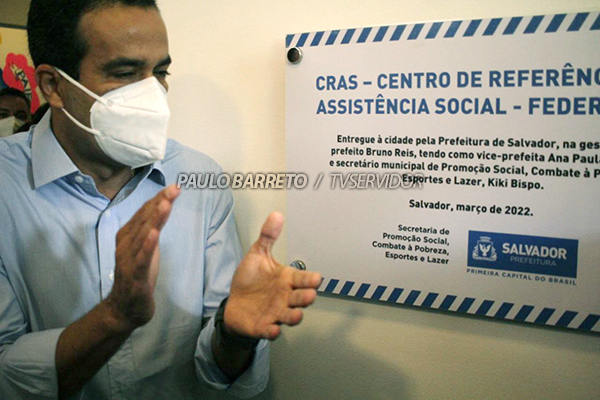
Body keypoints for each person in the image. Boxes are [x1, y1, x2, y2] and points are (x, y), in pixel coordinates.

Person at [0, 0, 322, 399]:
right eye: (125, 73)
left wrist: (233, 334)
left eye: (161, 72)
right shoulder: (6, 188)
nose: (153, 93)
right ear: (53, 85)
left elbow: (220, 369)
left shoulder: (198, 178)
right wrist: (114, 317)